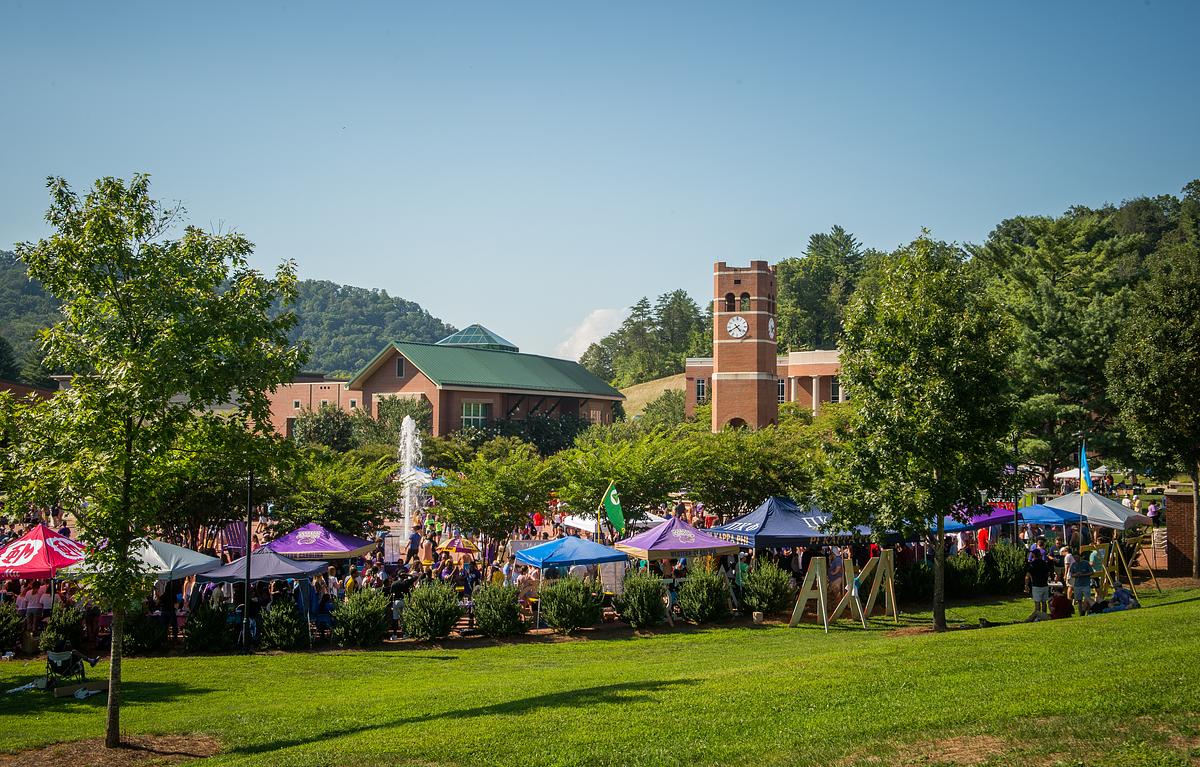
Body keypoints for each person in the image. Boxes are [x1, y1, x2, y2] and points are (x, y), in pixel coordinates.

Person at [1025, 549, 1052, 617]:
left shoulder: (1032, 564)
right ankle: (1044, 616)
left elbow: (1027, 576)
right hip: (1044, 585)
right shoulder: (1044, 563)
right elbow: (1048, 573)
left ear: (1034, 555)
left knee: (1037, 603)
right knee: (1044, 602)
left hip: (1036, 586)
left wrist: (1026, 585)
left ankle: (1038, 617)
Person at [1068, 550, 1093, 614]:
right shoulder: (1073, 565)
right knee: (1079, 600)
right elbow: (1071, 575)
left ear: (1080, 557)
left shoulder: (1086, 563)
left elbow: (1091, 572)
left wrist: (1083, 574)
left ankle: (1087, 611)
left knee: (1087, 599)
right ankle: (1080, 613)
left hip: (1086, 583)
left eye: (1077, 557)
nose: (1076, 559)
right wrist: (1076, 574)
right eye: (1074, 558)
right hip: (1077, 585)